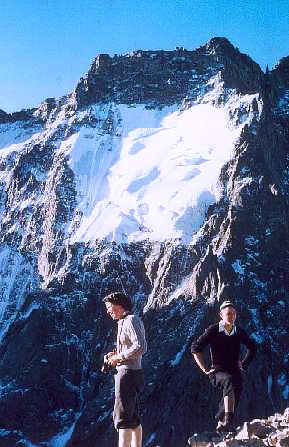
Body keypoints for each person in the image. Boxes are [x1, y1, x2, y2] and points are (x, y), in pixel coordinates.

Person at [191, 300, 257, 432]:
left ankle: (221, 421)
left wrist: (243, 364)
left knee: (237, 387)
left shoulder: (238, 331)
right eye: (228, 314)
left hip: (234, 370)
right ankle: (228, 421)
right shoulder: (213, 330)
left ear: (236, 315)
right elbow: (195, 348)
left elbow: (252, 347)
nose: (231, 316)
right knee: (230, 382)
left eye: (233, 314)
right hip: (217, 371)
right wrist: (205, 369)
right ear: (221, 315)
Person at [103, 292, 147, 447]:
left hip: (127, 375)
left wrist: (118, 357)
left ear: (119, 306)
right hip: (132, 373)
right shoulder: (124, 322)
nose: (108, 311)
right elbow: (133, 347)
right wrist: (115, 354)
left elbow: (141, 347)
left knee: (122, 419)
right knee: (133, 416)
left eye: (110, 307)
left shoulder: (131, 320)